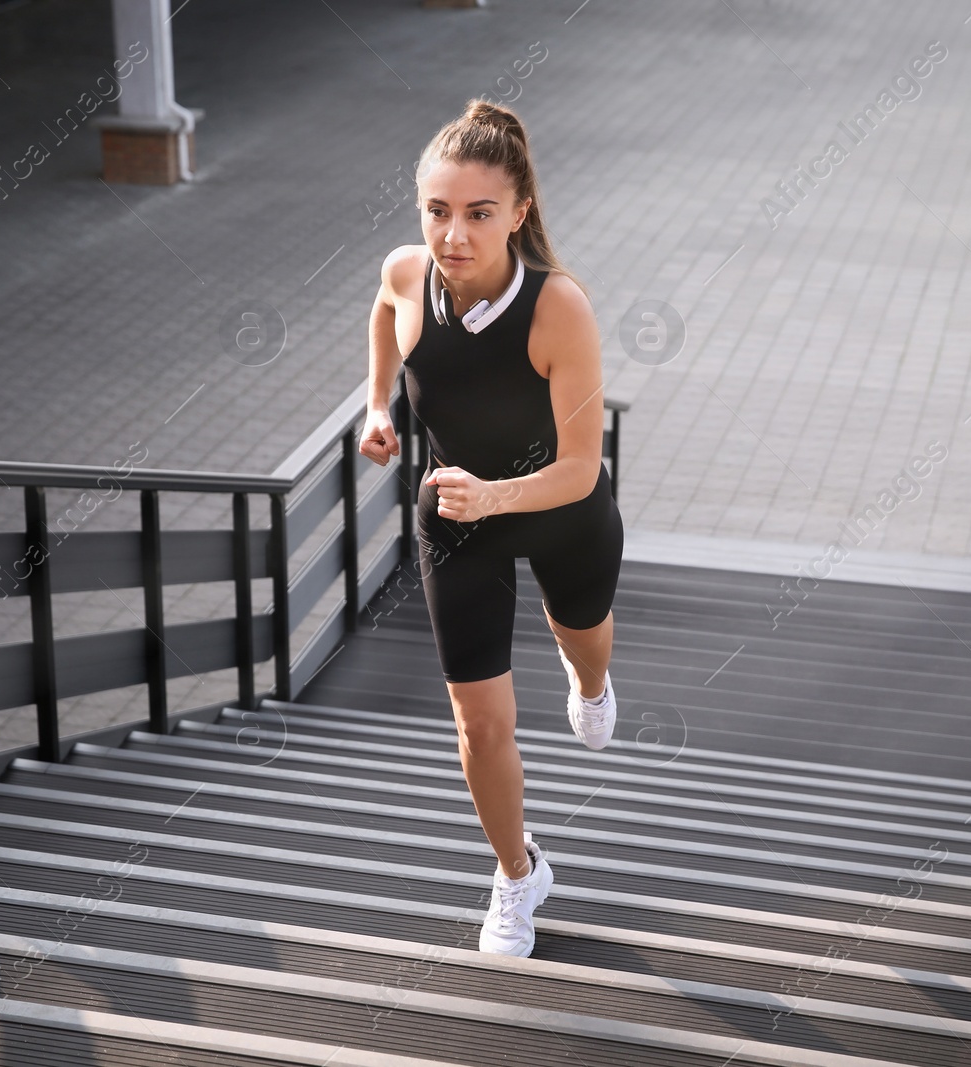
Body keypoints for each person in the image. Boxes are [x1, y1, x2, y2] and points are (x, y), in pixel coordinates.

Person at [358, 100, 624, 958]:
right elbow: (382, 314)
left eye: (479, 213)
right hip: (457, 519)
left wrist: (496, 495)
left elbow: (582, 468)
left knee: (582, 643)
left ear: (520, 213)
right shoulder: (407, 274)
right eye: (438, 211)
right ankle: (518, 871)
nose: (454, 235)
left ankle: (588, 685)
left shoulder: (559, 309)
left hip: (561, 515)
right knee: (479, 724)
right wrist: (376, 406)